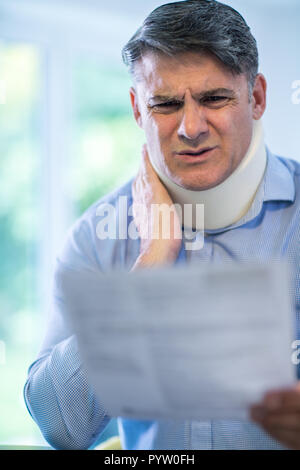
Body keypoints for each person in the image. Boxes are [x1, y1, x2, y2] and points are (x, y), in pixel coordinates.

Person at [24, 0, 300, 450]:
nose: (190, 127)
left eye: (214, 98)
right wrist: (151, 264)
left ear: (258, 98)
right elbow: (60, 427)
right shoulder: (98, 235)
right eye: (166, 104)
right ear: (137, 110)